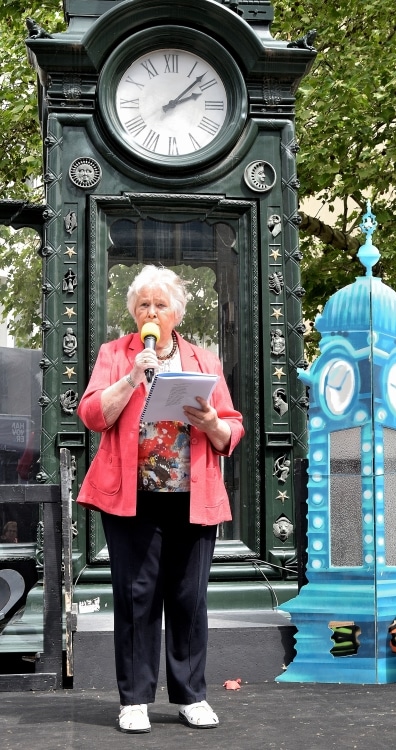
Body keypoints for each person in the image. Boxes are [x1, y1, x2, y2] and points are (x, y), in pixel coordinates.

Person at [76, 265, 244, 734]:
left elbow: (231, 429)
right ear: (134, 312)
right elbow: (92, 414)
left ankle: (191, 696)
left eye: (160, 305)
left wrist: (211, 422)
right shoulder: (115, 354)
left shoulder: (203, 360)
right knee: (137, 598)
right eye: (144, 305)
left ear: (177, 314)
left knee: (189, 598)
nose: (151, 312)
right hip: (133, 498)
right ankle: (134, 700)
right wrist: (132, 378)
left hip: (192, 495)